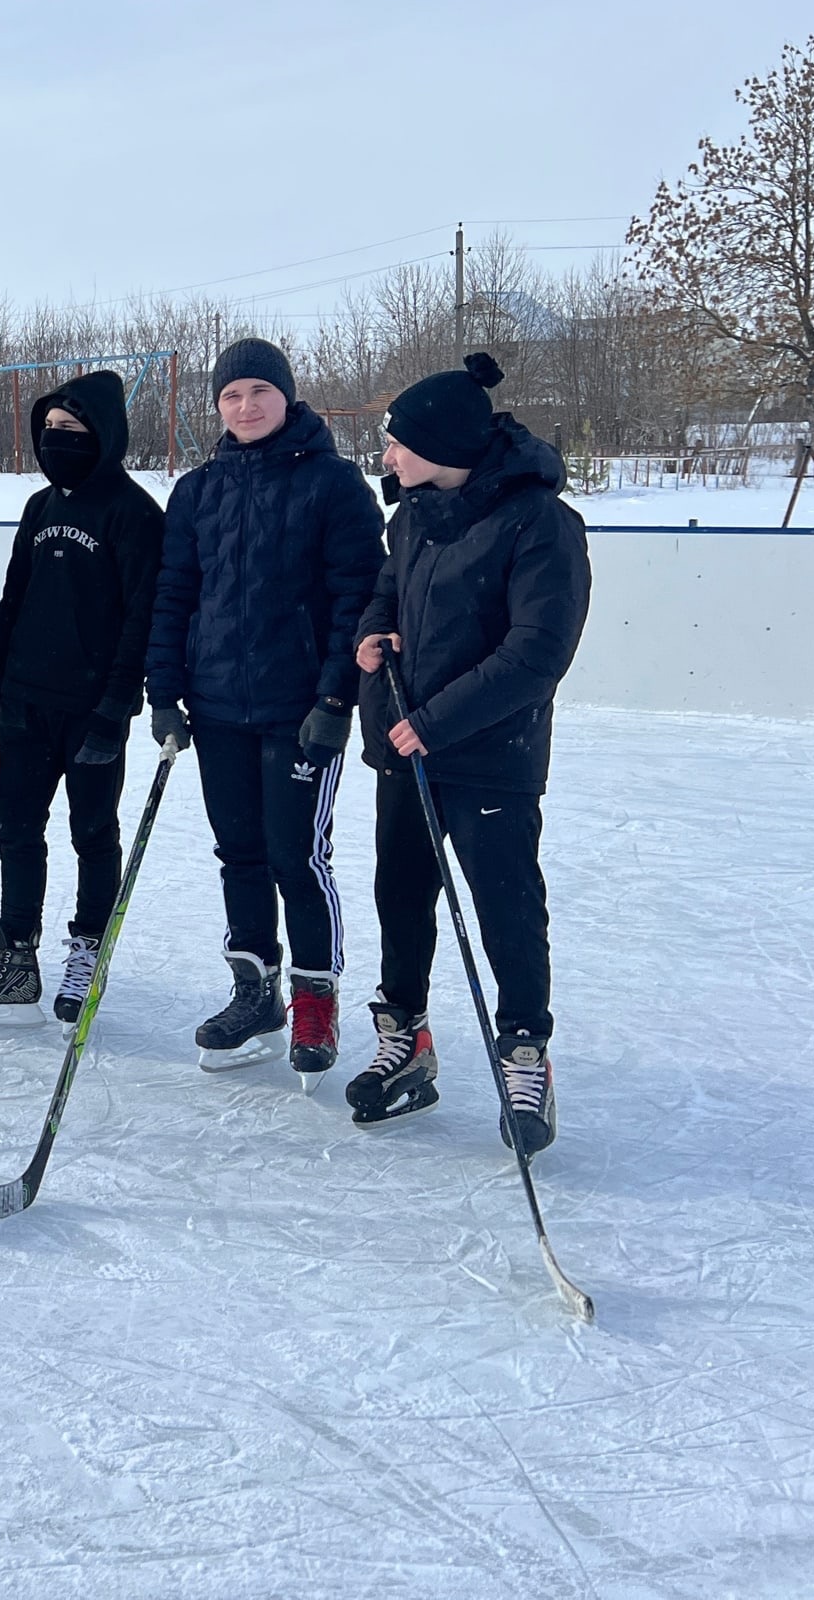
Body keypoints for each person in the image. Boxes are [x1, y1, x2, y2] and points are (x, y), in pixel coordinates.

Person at [351, 354, 589, 1152]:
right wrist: (370, 638)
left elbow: (537, 651)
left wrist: (439, 722)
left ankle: (524, 1049)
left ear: (444, 443)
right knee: (400, 898)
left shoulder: (540, 524)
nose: (386, 458)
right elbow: (386, 590)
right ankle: (406, 1038)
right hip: (407, 748)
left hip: (488, 752)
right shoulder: (413, 513)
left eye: (396, 444)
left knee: (506, 908)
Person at [147, 338, 384, 1074]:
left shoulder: (336, 486)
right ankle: (256, 991)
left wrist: (335, 697)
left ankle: (315, 999)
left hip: (300, 709)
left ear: (287, 396)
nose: (245, 407)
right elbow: (174, 597)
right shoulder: (196, 491)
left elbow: (359, 600)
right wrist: (162, 692)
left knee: (297, 856)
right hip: (216, 704)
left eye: (258, 391)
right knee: (240, 854)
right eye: (230, 396)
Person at [0, 370, 166, 1021]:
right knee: (15, 828)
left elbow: (141, 622)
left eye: (71, 432)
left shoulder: (134, 514)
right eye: (49, 431)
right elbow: (12, 600)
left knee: (92, 832)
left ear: (102, 435)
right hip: (25, 702)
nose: (57, 442)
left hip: (93, 711)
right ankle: (17, 958)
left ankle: (86, 953)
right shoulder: (41, 507)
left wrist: (115, 708)